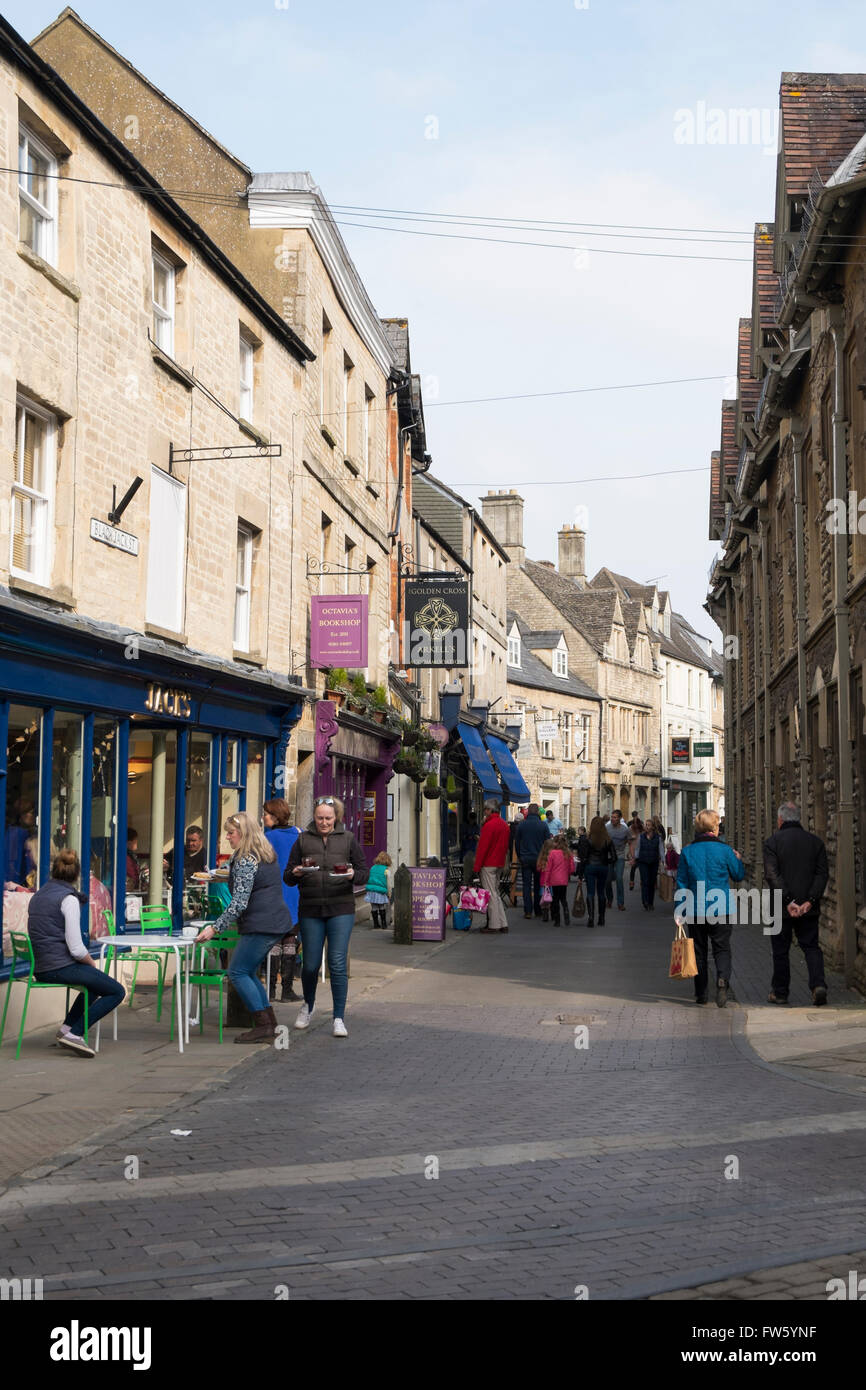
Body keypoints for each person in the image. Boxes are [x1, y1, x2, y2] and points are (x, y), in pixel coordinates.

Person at [196, 812, 295, 1043]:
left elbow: (239, 902)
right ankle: (269, 1024)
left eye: (231, 833)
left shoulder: (245, 860)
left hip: (262, 923)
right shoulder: (263, 853)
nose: (228, 837)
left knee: (237, 972)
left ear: (243, 833)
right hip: (275, 921)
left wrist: (214, 928)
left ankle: (263, 1025)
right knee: (248, 971)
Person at [28, 850, 125, 1058]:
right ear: (77, 875)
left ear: (54, 872)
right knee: (116, 991)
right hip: (59, 967)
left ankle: (66, 1030)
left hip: (42, 966)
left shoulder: (38, 895)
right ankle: (76, 1034)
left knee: (95, 986)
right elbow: (77, 949)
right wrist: (92, 964)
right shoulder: (68, 900)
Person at [286, 795, 369, 1038]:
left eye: (328, 818)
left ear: (336, 818)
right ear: (314, 817)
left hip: (340, 908)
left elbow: (364, 872)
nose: (324, 822)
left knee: (337, 963)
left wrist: (353, 875)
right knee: (310, 965)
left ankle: (339, 1018)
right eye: (320, 818)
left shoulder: (348, 839)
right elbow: (287, 877)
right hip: (311, 908)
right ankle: (308, 1005)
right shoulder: (302, 840)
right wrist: (298, 872)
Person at [676, 808, 745, 1007]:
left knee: (699, 951)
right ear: (714, 828)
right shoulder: (725, 850)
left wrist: (679, 910)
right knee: (722, 948)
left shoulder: (688, 852)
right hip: (721, 908)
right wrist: (738, 860)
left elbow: (681, 883)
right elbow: (738, 875)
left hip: (695, 909)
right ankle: (722, 980)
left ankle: (701, 993)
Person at [763, 802, 829, 1006]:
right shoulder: (815, 842)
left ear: (780, 820)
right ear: (798, 818)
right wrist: (810, 900)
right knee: (811, 947)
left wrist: (788, 901)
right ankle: (818, 985)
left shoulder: (772, 842)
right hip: (809, 907)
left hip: (779, 906)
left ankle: (780, 992)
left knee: (780, 950)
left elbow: (772, 875)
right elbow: (822, 874)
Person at [263, 798, 301, 1001]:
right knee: (290, 942)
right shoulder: (300, 834)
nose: (263, 817)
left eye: (266, 814)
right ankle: (287, 990)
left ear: (275, 817)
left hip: (275, 893)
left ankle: (270, 990)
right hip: (295, 892)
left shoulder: (268, 837)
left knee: (274, 944)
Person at [473, 800, 511, 934]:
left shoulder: (489, 826)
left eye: (485, 809)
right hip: (499, 862)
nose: (484, 812)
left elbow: (483, 848)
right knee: (496, 893)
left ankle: (494, 925)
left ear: (490, 810)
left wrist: (476, 867)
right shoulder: (504, 825)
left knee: (491, 895)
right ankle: (502, 922)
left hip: (489, 863)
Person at [577, 817, 616, 928]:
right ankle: (602, 918)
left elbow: (583, 858)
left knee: (590, 892)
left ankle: (591, 917)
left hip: (590, 866)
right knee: (601, 892)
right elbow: (614, 857)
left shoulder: (588, 840)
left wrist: (580, 874)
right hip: (603, 867)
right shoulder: (607, 840)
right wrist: (605, 861)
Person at [513, 803, 550, 918]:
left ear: (528, 812)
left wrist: (520, 856)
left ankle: (528, 911)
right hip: (539, 859)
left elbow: (517, 843)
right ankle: (538, 910)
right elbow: (548, 844)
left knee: (526, 885)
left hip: (526, 859)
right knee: (538, 884)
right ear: (538, 812)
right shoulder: (543, 826)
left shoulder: (522, 825)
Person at [544, 833, 574, 927]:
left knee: (555, 899)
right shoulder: (568, 853)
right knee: (563, 899)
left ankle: (557, 920)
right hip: (563, 880)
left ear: (556, 843)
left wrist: (546, 881)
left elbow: (548, 868)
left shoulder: (552, 853)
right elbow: (572, 868)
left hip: (554, 880)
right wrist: (567, 873)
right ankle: (566, 914)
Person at [635, 819, 665, 910]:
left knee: (651, 882)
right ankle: (645, 901)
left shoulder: (658, 837)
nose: (646, 826)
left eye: (648, 825)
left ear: (652, 827)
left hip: (654, 862)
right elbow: (637, 848)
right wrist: (635, 858)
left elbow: (661, 850)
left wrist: (663, 861)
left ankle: (651, 902)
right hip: (643, 861)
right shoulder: (641, 836)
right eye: (645, 825)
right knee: (645, 881)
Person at [605, 809, 630, 911]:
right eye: (612, 817)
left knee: (619, 878)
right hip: (609, 856)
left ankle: (620, 903)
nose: (612, 819)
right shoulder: (607, 828)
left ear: (619, 818)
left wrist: (630, 853)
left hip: (619, 855)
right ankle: (610, 899)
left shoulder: (625, 829)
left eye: (615, 817)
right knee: (607, 880)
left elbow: (629, 840)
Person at [366, 851, 392, 930]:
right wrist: (389, 893)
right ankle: (384, 924)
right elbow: (388, 884)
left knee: (374, 907)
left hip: (371, 891)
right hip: (380, 891)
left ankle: (376, 924)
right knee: (381, 906)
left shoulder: (372, 867)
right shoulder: (386, 870)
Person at [461, 815, 480, 887]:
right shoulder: (465, 826)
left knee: (473, 869)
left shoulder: (477, 827)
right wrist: (468, 836)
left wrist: (476, 837)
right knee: (466, 869)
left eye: (474, 819)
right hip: (465, 850)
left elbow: (478, 837)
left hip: (474, 849)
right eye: (471, 819)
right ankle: (466, 883)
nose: (472, 821)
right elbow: (462, 836)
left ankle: (471, 884)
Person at [627, 815, 643, 891]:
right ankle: (631, 883)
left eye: (637, 824)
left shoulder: (642, 830)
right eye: (634, 824)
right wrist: (631, 838)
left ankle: (642, 882)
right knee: (633, 868)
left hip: (641, 850)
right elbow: (628, 841)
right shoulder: (630, 829)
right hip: (633, 849)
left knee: (642, 869)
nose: (636, 826)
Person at [125, 827, 141, 891]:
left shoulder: (131, 856)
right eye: (135, 840)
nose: (137, 843)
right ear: (129, 842)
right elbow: (133, 875)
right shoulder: (127, 857)